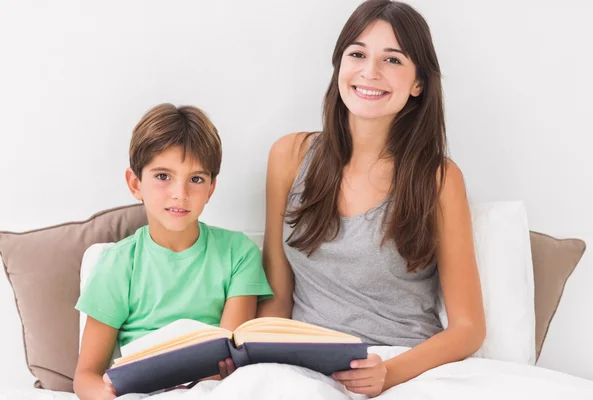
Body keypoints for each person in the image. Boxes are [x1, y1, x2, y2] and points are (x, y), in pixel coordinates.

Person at [258, 0, 486, 397]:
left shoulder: (439, 179)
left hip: (406, 366)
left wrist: (389, 373)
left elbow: (469, 328)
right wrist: (254, 352)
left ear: (418, 84)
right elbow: (278, 295)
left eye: (393, 60)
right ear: (339, 66)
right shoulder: (289, 158)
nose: (370, 72)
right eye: (358, 54)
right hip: (306, 367)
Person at [73, 103, 273, 400]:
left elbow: (230, 353)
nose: (180, 193)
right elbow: (86, 375)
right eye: (163, 176)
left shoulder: (238, 253)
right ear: (135, 183)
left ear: (211, 188)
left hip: (217, 391)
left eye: (196, 179)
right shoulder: (117, 264)